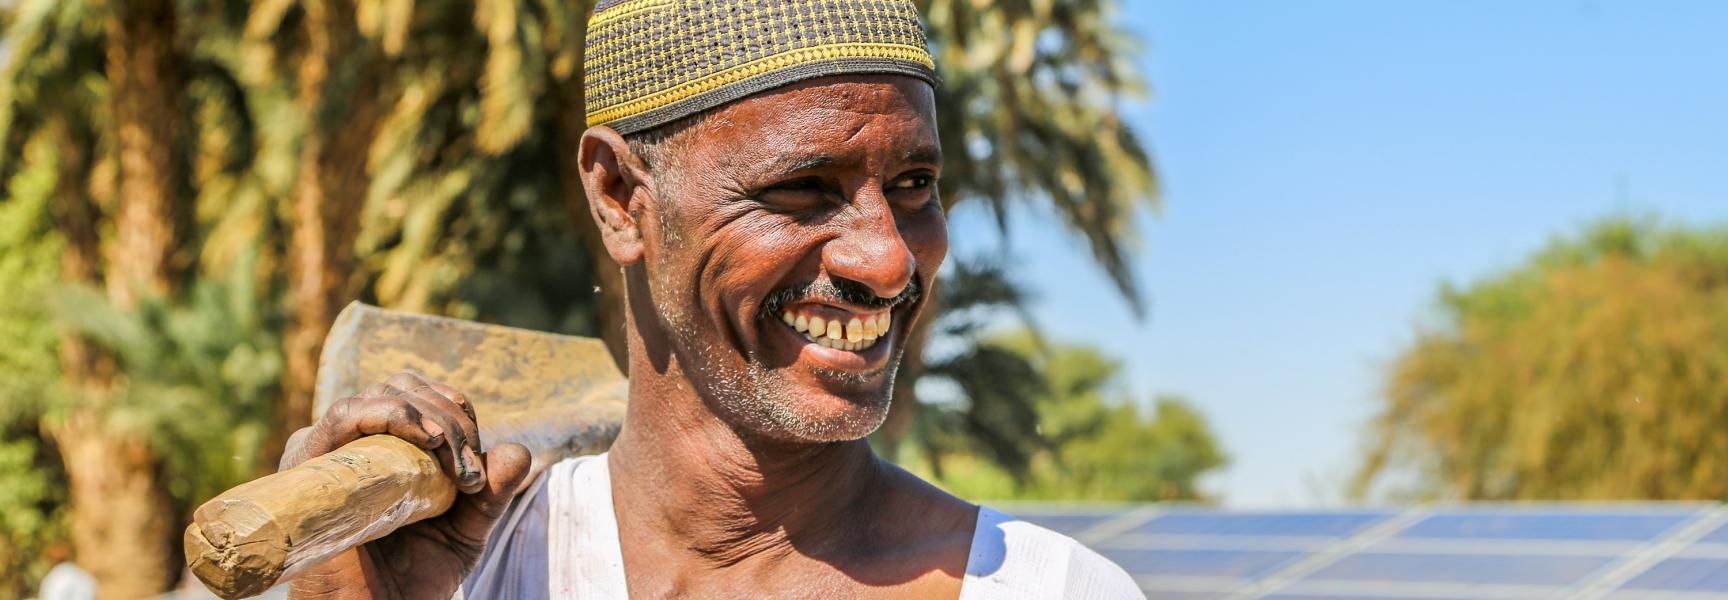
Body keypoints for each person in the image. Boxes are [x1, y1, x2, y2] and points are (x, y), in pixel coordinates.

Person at [280, 0, 1143, 598]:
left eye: (916, 183)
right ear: (622, 196)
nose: (886, 260)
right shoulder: (465, 571)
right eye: (804, 187)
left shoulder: (1047, 589)